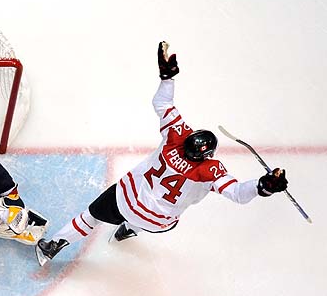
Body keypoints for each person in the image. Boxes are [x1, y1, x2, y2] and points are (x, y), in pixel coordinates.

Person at [36, 41, 289, 266]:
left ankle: (52, 246)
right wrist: (263, 185)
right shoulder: (210, 170)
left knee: (90, 217)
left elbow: (162, 104)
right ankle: (128, 230)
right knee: (160, 214)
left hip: (127, 199)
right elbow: (238, 194)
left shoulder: (176, 135)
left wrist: (167, 77)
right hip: (159, 222)